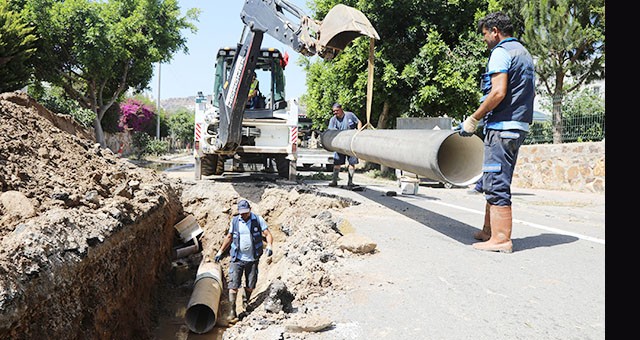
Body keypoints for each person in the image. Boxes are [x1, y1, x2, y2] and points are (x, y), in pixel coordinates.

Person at [458, 11, 535, 253]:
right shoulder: (523, 53)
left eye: (484, 34)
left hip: (502, 127)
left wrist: (474, 118)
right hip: (518, 126)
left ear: (495, 31)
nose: (484, 39)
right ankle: (489, 231)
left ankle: (501, 239)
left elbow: (498, 92)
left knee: (496, 180)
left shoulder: (501, 52)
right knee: (494, 179)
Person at [214, 199, 273, 320]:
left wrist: (270, 246)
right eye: (241, 212)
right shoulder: (235, 221)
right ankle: (232, 311)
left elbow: (268, 234)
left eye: (245, 212)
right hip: (237, 258)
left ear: (250, 209)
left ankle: (246, 303)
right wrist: (220, 251)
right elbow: (229, 237)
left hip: (252, 259)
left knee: (251, 284)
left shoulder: (257, 220)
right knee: (233, 285)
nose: (243, 214)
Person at [327, 103, 362, 187]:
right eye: (334, 111)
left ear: (341, 109)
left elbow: (359, 122)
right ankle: (334, 181)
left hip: (351, 144)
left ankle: (350, 182)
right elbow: (330, 129)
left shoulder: (350, 115)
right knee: (337, 163)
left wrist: (359, 131)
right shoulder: (333, 120)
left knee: (351, 163)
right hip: (339, 145)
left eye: (337, 111)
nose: (335, 113)